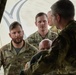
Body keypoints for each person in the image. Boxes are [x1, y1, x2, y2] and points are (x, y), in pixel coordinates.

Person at [24, 0, 76, 75]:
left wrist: (26, 72)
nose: (51, 19)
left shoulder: (64, 37)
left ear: (58, 17)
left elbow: (50, 61)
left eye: (52, 16)